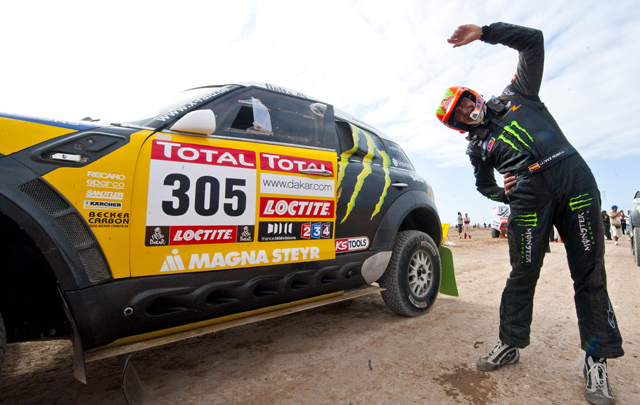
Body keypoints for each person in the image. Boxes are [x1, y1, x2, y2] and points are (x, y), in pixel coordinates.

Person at [437, 22, 623, 405]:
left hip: (574, 182)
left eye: (466, 101)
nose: (468, 111)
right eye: (459, 114)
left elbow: (533, 42)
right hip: (527, 199)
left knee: (589, 274)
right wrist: (498, 192)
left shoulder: (518, 94)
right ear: (457, 125)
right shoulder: (476, 147)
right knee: (523, 272)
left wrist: (484, 32)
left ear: (474, 94)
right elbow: (482, 185)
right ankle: (510, 342)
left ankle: (596, 360)